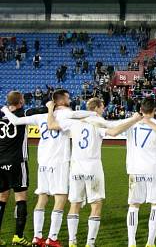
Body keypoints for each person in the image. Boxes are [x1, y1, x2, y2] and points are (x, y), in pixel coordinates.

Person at [1, 89, 93, 247]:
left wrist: (3, 109)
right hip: (57, 161)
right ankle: (52, 238)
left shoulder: (38, 116)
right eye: (68, 98)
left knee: (41, 197)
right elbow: (82, 114)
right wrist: (94, 113)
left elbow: (15, 121)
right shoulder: (64, 113)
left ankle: (37, 237)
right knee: (60, 197)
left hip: (42, 162)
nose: (70, 100)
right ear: (61, 101)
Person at [48, 98, 142, 247]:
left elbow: (51, 125)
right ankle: (90, 243)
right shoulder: (97, 121)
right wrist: (134, 120)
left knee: (75, 203)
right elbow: (114, 131)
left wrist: (49, 110)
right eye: (103, 106)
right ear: (97, 107)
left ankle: (72, 241)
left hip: (76, 167)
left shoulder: (74, 121)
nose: (104, 109)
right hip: (92, 166)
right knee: (96, 204)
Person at [125, 99, 156, 247]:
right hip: (153, 169)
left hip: (135, 169)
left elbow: (113, 130)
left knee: (134, 205)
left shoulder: (131, 123)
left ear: (141, 108)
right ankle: (150, 242)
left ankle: (131, 242)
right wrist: (149, 121)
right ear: (155, 110)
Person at [0, 91, 32, 246]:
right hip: (17, 162)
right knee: (20, 199)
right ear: (20, 101)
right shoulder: (22, 113)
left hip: (0, 162)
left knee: (1, 199)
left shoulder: (0, 115)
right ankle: (18, 236)